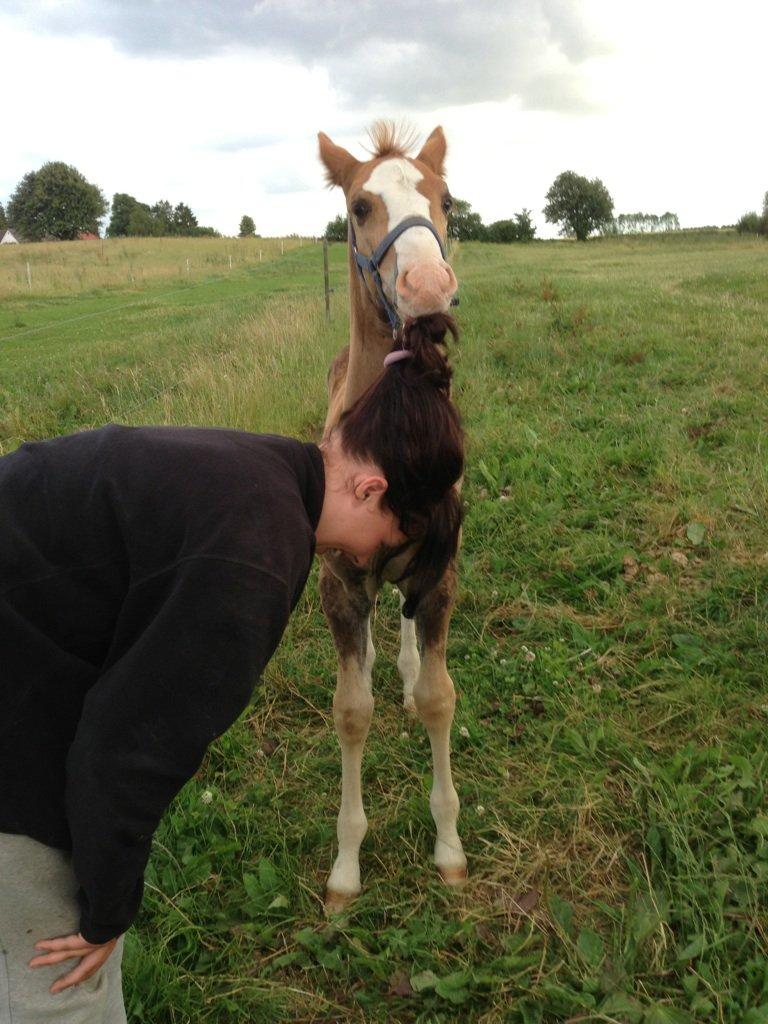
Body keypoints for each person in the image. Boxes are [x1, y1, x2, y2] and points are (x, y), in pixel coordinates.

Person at [0, 319, 464, 1023]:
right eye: (388, 541)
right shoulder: (255, 555)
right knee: (60, 986)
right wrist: (105, 913)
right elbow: (122, 754)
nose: (368, 560)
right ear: (371, 489)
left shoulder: (262, 469)